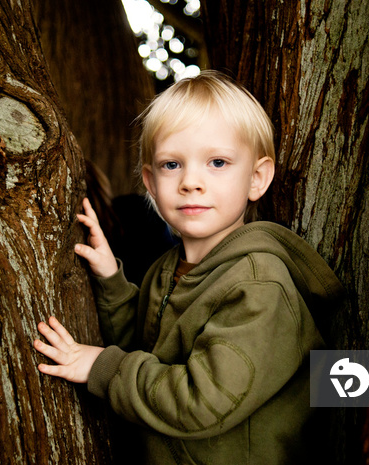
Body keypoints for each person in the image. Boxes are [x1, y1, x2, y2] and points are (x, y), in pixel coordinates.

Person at [33, 70, 344, 464]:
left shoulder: (259, 284)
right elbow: (148, 346)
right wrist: (112, 279)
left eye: (217, 162)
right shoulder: (167, 268)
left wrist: (103, 367)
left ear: (257, 178)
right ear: (150, 181)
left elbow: (202, 400)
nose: (190, 181)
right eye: (171, 165)